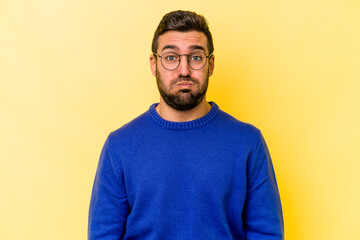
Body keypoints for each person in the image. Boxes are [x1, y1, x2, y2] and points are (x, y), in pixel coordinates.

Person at [88, 10, 284, 240]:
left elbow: (267, 234)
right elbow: (103, 235)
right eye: (171, 57)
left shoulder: (248, 142)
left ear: (210, 65)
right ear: (154, 64)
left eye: (196, 57)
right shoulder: (119, 146)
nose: (184, 70)